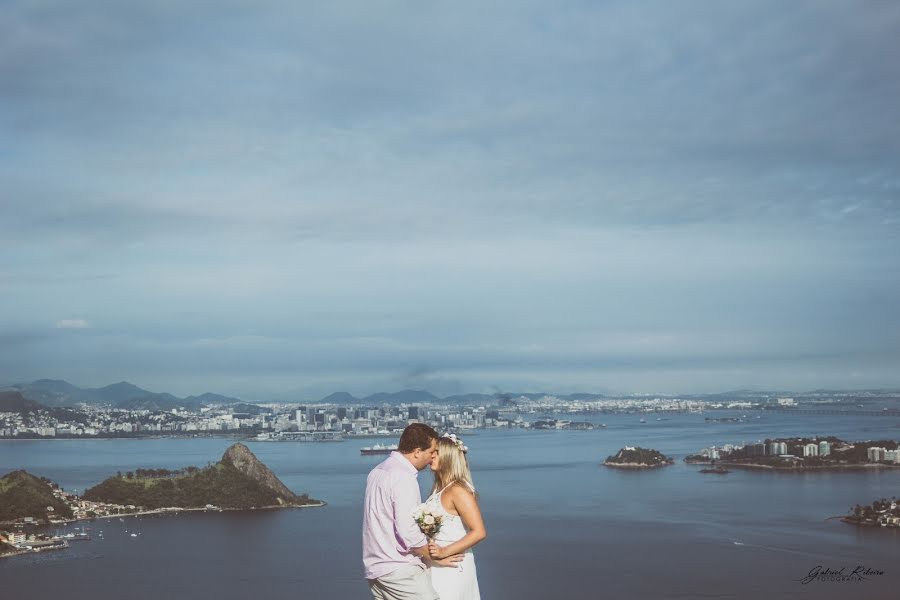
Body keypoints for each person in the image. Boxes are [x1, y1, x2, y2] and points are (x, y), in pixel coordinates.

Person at [363, 423, 465, 600]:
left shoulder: (377, 471)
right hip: (399, 569)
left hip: (375, 569)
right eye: (431, 452)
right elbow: (408, 531)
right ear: (417, 451)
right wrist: (436, 557)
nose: (433, 456)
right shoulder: (403, 477)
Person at [425, 433, 486, 600]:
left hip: (453, 564)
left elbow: (479, 531)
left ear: (448, 457)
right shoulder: (440, 489)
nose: (431, 455)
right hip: (438, 564)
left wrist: (444, 551)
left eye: (436, 452)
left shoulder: (458, 490)